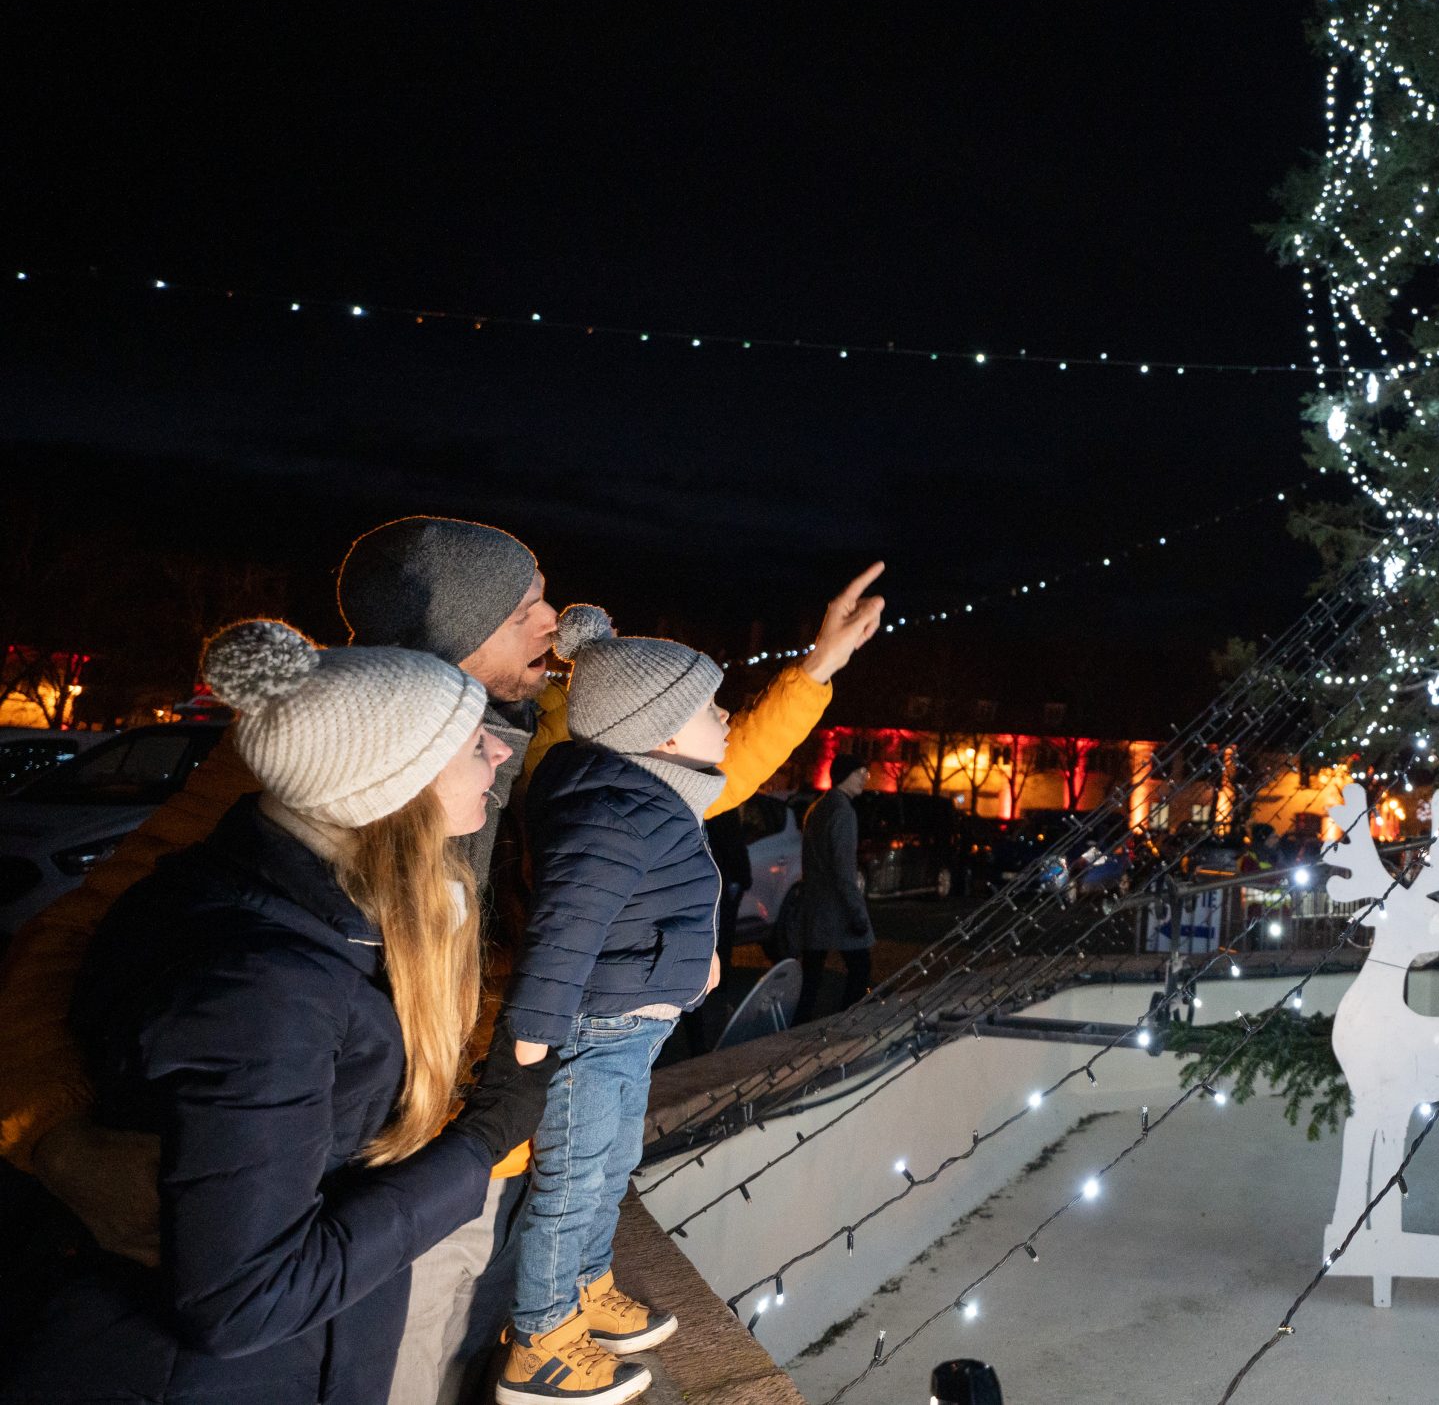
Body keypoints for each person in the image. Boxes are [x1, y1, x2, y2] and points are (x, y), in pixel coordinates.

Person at [0, 517, 886, 1405]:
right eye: (522, 607)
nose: (553, 621)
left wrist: (815, 671)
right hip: (391, 1180)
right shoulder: (311, 760)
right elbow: (78, 940)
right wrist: (58, 1136)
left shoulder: (540, 733)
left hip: (510, 1141)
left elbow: (679, 766)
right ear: (448, 632)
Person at [0, 622, 553, 1405]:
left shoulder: (320, 909)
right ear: (392, 789)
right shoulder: (264, 989)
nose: (498, 753)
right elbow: (243, 1300)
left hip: (298, 1356)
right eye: (473, 744)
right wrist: (482, 1140)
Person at [492, 607, 730, 1403]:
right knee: (571, 1179)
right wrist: (535, 1027)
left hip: (632, 1024)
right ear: (661, 730)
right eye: (710, 706)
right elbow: (568, 924)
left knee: (609, 1166)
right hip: (597, 1025)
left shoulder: (648, 795)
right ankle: (540, 1343)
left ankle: (585, 1289)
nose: (726, 716)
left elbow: (658, 902)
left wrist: (696, 958)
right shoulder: (615, 807)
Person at [791, 777, 874, 1025]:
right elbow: (844, 869)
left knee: (812, 974)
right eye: (860, 773)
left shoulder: (818, 807)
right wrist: (857, 913)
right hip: (838, 906)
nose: (865, 779)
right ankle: (844, 1023)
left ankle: (798, 1026)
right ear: (846, 776)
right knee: (860, 966)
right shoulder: (842, 811)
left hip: (815, 903)